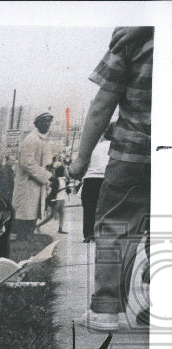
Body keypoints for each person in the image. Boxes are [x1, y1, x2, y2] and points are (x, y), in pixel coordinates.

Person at [69, 27, 152, 331]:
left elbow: (102, 106)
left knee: (116, 227)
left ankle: (106, 309)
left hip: (133, 153)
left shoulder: (132, 41)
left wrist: (80, 159)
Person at [12, 112, 55, 242]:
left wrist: (48, 173)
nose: (47, 124)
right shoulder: (31, 139)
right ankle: (22, 241)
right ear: (37, 123)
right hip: (27, 185)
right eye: (43, 121)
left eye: (49, 121)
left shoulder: (42, 139)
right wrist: (47, 176)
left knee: (32, 214)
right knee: (25, 215)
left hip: (36, 185)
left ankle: (26, 240)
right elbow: (27, 163)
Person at [78, 123, 112, 243]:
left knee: (89, 209)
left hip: (90, 179)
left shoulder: (94, 147)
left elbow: (84, 165)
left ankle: (88, 234)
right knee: (105, 210)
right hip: (107, 180)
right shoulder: (116, 148)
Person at [34, 158, 69, 234]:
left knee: (62, 214)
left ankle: (60, 228)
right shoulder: (57, 180)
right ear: (62, 172)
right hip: (57, 199)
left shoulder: (63, 179)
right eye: (64, 171)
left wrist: (67, 188)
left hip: (62, 198)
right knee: (51, 215)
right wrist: (65, 188)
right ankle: (38, 225)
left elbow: (66, 190)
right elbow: (55, 191)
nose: (66, 172)